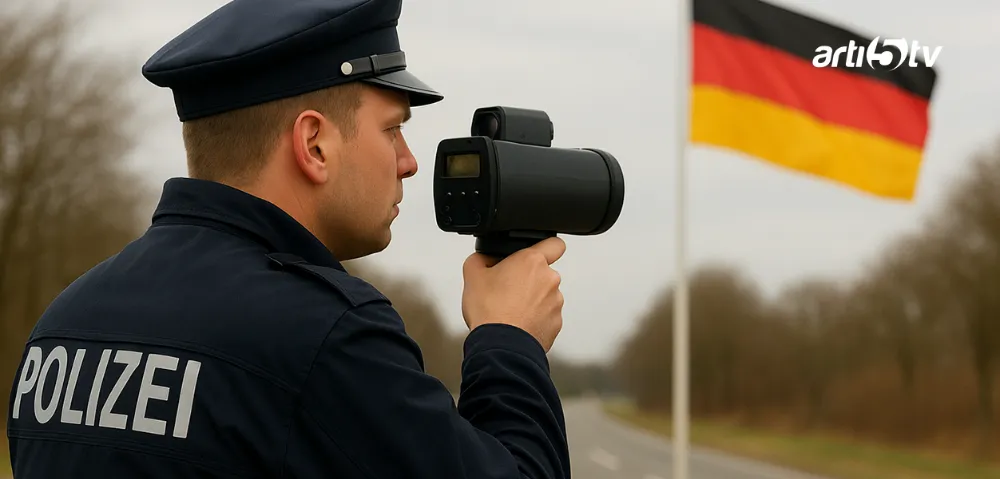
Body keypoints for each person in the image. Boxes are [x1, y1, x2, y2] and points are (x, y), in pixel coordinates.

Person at [4, 0, 571, 477]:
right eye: (392, 128)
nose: (409, 162)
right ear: (314, 144)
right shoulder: (324, 337)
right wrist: (509, 341)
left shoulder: (62, 326)